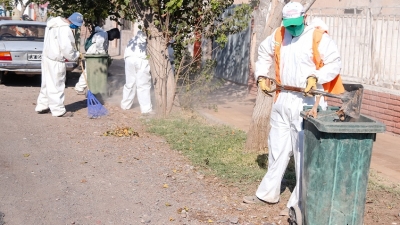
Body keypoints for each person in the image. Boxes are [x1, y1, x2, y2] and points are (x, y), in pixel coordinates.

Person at [243, 2, 343, 215]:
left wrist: (316, 77)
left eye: (295, 24)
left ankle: (299, 203)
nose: (292, 29)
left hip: (306, 101)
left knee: (302, 152)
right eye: (289, 25)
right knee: (277, 148)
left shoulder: (317, 37)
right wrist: (261, 75)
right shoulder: (279, 34)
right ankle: (267, 194)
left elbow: (334, 63)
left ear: (304, 17)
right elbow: (263, 52)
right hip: (282, 97)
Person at [35, 12, 83, 117]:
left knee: (46, 84)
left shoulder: (52, 24)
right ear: (73, 21)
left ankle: (42, 105)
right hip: (56, 60)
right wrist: (76, 55)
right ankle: (58, 110)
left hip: (47, 57)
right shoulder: (65, 29)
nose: (76, 27)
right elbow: (67, 49)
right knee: (57, 85)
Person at [120, 30, 153, 114]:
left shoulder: (133, 39)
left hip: (129, 59)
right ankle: (146, 110)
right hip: (141, 60)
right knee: (143, 85)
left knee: (129, 83)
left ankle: (125, 105)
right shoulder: (149, 41)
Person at [74, 25, 109, 94]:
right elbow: (99, 45)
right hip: (93, 54)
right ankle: (79, 88)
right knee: (88, 72)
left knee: (90, 72)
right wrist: (103, 53)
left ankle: (80, 87)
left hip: (92, 54)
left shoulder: (101, 33)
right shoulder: (103, 34)